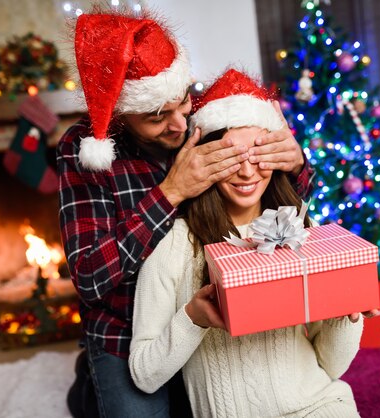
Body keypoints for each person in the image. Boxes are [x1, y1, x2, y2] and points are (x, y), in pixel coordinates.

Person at [58, 10, 316, 418]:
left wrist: (296, 165)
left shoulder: (201, 113)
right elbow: (89, 277)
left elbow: (274, 205)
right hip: (124, 334)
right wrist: (171, 192)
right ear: (121, 117)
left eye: (181, 103)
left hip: (205, 317)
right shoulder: (84, 150)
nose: (180, 124)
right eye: (157, 116)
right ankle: (90, 384)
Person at [129, 69, 363, 417]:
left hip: (318, 404)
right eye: (232, 157)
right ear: (207, 159)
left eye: (258, 154)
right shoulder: (175, 247)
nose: (247, 171)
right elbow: (144, 375)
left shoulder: (298, 229)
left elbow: (331, 367)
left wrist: (347, 315)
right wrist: (193, 318)